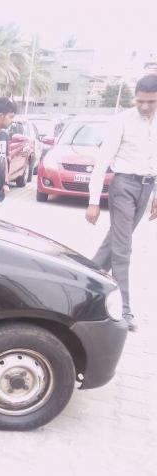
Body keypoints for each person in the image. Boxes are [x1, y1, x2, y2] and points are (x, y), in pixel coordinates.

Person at [86, 74, 157, 332]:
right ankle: (124, 311)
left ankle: (84, 285)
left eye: (151, 102)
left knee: (114, 244)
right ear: (134, 97)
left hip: (147, 187)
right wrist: (93, 201)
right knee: (123, 249)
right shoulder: (123, 121)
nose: (145, 107)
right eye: (140, 101)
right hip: (123, 186)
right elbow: (102, 161)